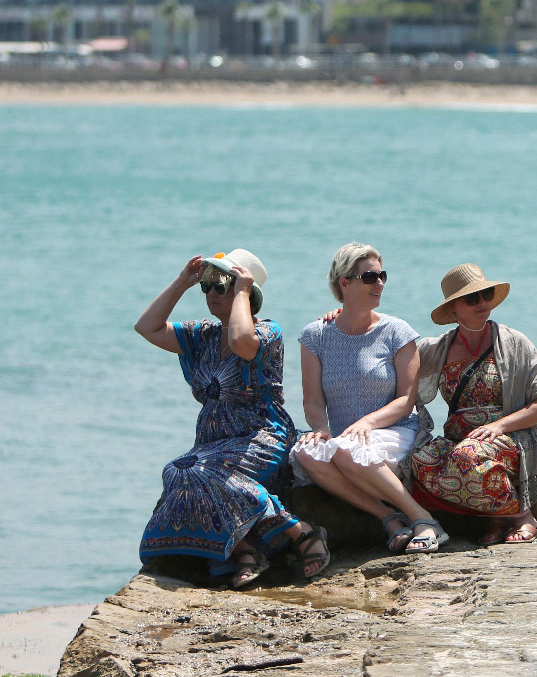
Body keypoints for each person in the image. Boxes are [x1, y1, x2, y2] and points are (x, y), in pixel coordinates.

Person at [134, 249, 330, 587]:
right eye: (207, 287)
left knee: (197, 470)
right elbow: (147, 327)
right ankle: (249, 547)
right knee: (178, 469)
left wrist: (241, 289)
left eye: (221, 286)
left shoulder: (267, 332)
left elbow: (241, 342)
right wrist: (183, 281)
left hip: (261, 436)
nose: (211, 294)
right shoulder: (203, 336)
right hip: (213, 443)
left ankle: (297, 534)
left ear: (246, 292)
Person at [292, 242, 448, 553]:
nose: (379, 283)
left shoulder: (397, 332)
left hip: (397, 429)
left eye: (382, 276)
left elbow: (406, 399)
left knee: (346, 448)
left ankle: (425, 519)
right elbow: (312, 400)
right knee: (305, 453)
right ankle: (389, 518)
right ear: (345, 283)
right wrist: (320, 428)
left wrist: (367, 422)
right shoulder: (315, 336)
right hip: (345, 439)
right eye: (369, 277)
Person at [407, 264, 537, 544]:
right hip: (458, 440)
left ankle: (522, 515)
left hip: (511, 437)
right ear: (453, 309)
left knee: (466, 457)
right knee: (416, 461)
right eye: (472, 298)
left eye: (486, 295)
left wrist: (498, 426)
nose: (482, 303)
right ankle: (495, 518)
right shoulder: (436, 349)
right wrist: (343, 317)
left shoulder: (515, 343)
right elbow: (390, 358)